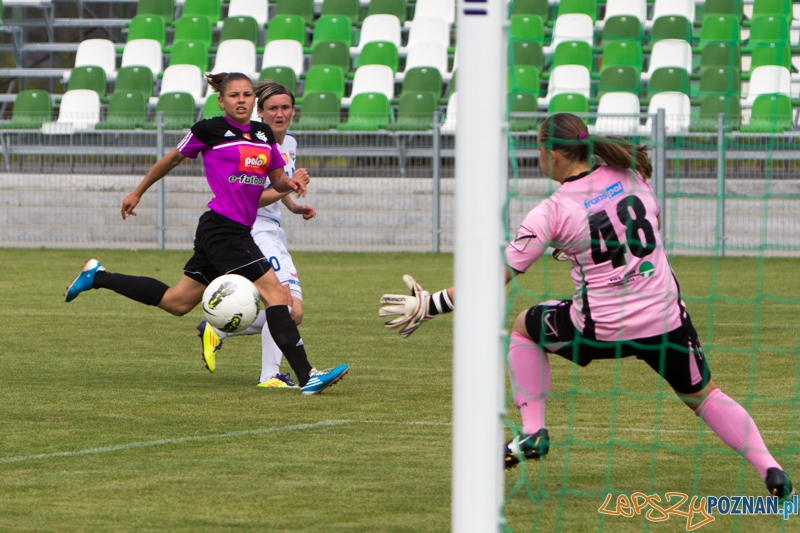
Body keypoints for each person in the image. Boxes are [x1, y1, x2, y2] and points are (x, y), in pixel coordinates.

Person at [379, 113, 795, 500]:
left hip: (602, 329)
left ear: (554, 155)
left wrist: (433, 304)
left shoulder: (552, 211)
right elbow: (649, 229)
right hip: (665, 319)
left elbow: (494, 278)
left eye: (538, 151)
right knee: (704, 395)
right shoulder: (631, 175)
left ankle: (532, 431)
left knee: (524, 326)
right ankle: (771, 469)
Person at [64, 72, 348, 395]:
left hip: (230, 230)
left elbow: (277, 180)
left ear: (253, 100)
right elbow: (171, 159)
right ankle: (307, 376)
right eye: (234, 95)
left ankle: (97, 276)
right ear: (221, 101)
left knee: (177, 301)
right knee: (278, 296)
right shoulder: (209, 130)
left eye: (246, 95)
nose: (241, 100)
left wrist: (291, 183)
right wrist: (138, 191)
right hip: (224, 229)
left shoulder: (263, 134)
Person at [196, 81, 318, 388]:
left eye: (285, 107)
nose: (280, 114)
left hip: (274, 229)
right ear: (259, 112)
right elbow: (254, 197)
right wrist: (289, 186)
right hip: (255, 229)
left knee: (293, 311)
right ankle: (271, 376)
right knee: (286, 305)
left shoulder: (289, 143)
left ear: (293, 111)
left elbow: (277, 185)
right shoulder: (254, 144)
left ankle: (218, 330)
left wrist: (293, 205)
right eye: (272, 108)